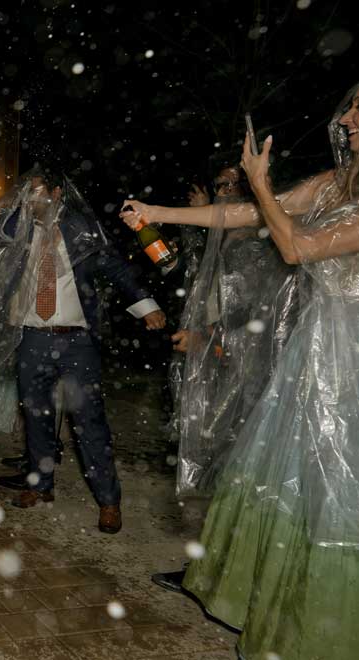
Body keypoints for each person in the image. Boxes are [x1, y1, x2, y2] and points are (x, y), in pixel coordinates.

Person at [118, 86, 359, 658]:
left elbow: (298, 247)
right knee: (285, 477)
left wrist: (260, 182)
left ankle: (324, 626)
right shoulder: (335, 183)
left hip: (351, 356)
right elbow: (245, 214)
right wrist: (157, 213)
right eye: (348, 107)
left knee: (337, 484)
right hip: (313, 348)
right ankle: (266, 598)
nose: (347, 117)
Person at [0, 169, 166, 533]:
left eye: (37, 194)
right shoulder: (19, 227)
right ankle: (41, 486)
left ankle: (108, 501)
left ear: (58, 193)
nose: (30, 202)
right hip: (34, 338)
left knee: (88, 421)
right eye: (26, 195)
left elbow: (116, 267)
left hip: (77, 340)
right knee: (37, 416)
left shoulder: (81, 228)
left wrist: (146, 305)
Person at [139, 163, 297, 594]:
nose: (224, 192)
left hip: (242, 371)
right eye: (220, 185)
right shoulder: (229, 239)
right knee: (228, 472)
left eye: (233, 186)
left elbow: (254, 316)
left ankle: (224, 575)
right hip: (225, 368)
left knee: (237, 472)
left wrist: (206, 337)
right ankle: (220, 572)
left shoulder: (250, 246)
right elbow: (200, 279)